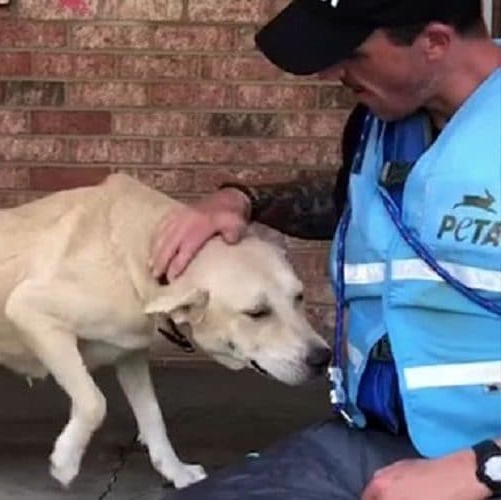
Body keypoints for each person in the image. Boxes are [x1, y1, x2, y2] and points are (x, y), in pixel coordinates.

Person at [151, 1, 501, 499]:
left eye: (353, 54)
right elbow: (375, 211)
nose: (333, 72)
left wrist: (484, 468)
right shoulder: (379, 124)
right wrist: (245, 202)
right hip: (378, 443)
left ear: (435, 43)